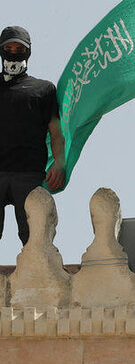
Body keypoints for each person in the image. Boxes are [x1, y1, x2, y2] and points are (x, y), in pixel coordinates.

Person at [0, 26, 65, 245]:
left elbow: (56, 131)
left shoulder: (44, 89)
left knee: (34, 238)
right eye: (8, 48)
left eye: (19, 48)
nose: (13, 52)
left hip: (29, 173)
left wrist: (59, 162)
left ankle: (37, 279)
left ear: (28, 52)